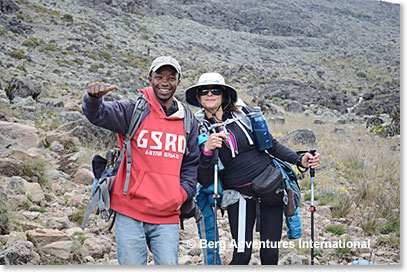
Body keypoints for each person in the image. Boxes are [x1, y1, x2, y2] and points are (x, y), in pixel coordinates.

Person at [185, 72, 320, 265]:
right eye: (204, 91)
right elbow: (205, 180)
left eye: (215, 90)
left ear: (224, 95)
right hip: (238, 197)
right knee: (241, 255)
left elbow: (271, 145)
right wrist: (207, 151)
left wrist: (299, 160)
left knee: (270, 255)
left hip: (271, 189)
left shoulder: (244, 116)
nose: (209, 94)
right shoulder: (197, 130)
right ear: (198, 97)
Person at [82, 56, 200, 265]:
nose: (165, 82)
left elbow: (191, 163)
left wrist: (181, 194)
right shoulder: (132, 110)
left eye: (171, 78)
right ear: (150, 78)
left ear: (178, 82)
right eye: (159, 77)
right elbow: (98, 115)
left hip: (167, 216)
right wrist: (93, 99)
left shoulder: (188, 120)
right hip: (130, 212)